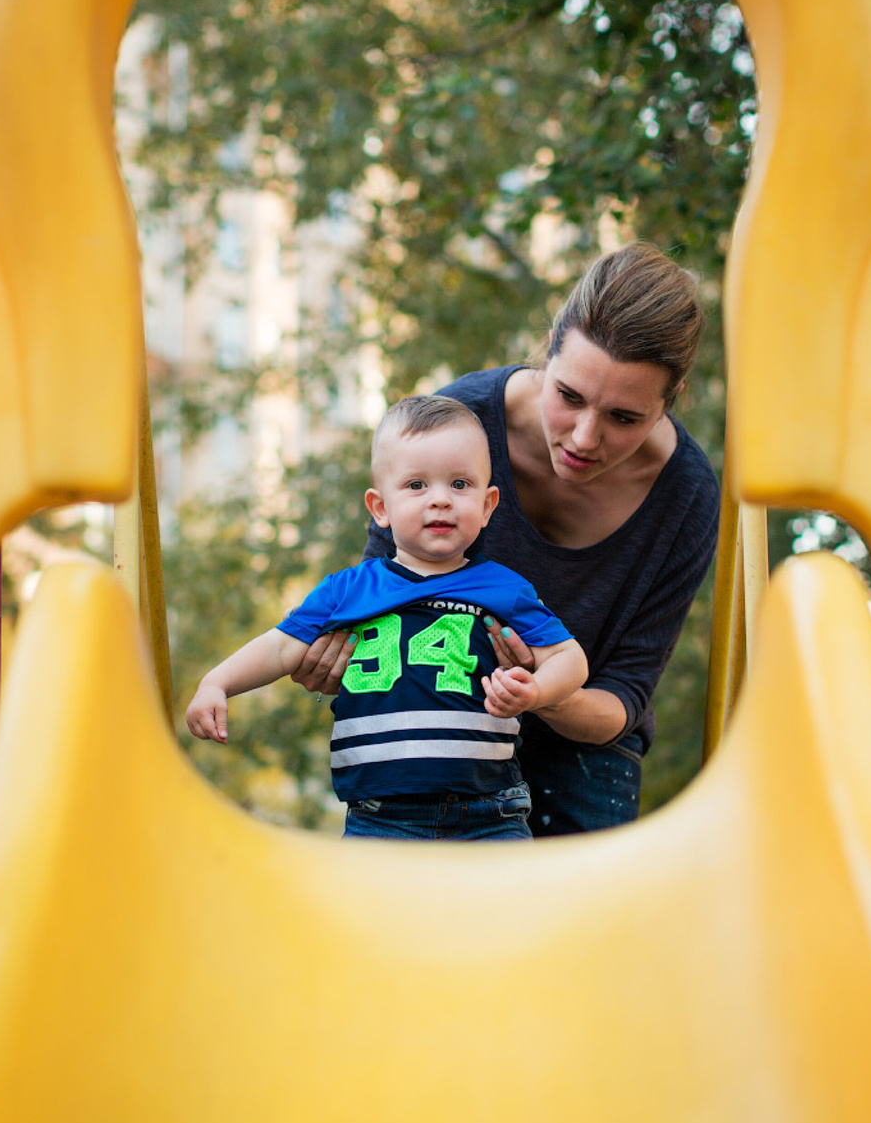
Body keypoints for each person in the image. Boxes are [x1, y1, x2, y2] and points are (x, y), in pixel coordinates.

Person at [293, 242, 721, 836]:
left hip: (583, 747)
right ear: (550, 348)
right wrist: (334, 656)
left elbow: (624, 695)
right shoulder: (460, 422)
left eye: (624, 418)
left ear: (669, 403)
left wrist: (543, 692)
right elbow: (384, 590)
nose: (583, 437)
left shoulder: (687, 497)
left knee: (571, 924)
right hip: (441, 726)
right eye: (569, 396)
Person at [185, 395, 588, 841]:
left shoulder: (505, 589)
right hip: (379, 820)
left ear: (489, 504)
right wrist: (216, 683)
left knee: (509, 912)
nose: (440, 501)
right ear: (380, 508)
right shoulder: (348, 590)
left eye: (460, 484)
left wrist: (535, 691)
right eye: (416, 486)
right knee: (360, 913)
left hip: (489, 815)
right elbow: (281, 646)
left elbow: (570, 658)